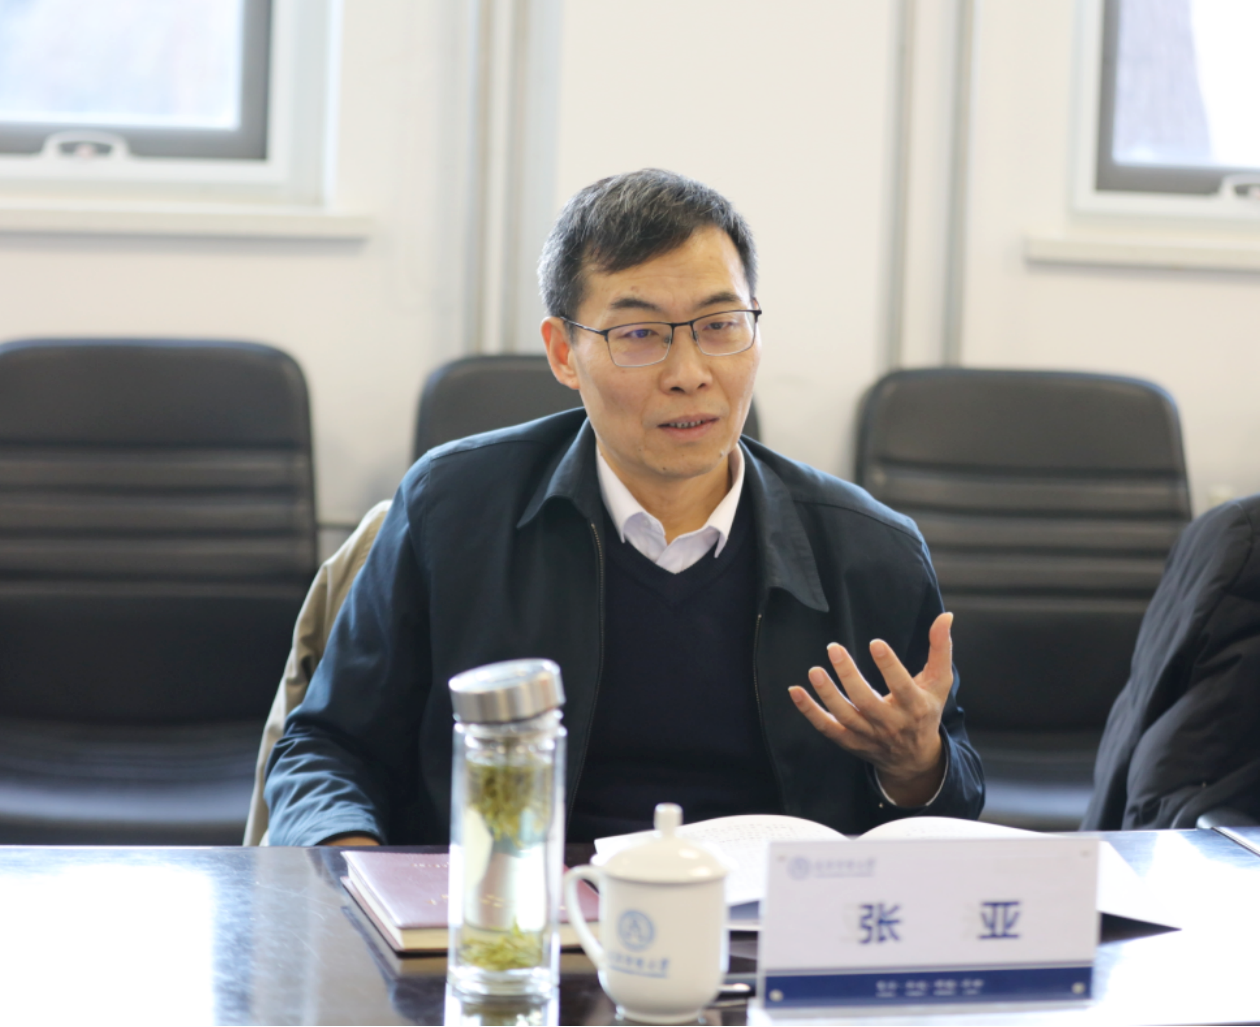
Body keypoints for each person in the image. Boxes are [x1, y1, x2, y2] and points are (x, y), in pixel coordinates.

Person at [265, 169, 984, 847]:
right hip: (518, 910)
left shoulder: (871, 552)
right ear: (563, 353)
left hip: (773, 925)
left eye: (721, 324)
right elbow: (326, 748)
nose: (689, 374)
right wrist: (356, 879)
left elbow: (951, 810)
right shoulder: (452, 511)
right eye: (639, 334)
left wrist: (916, 766)